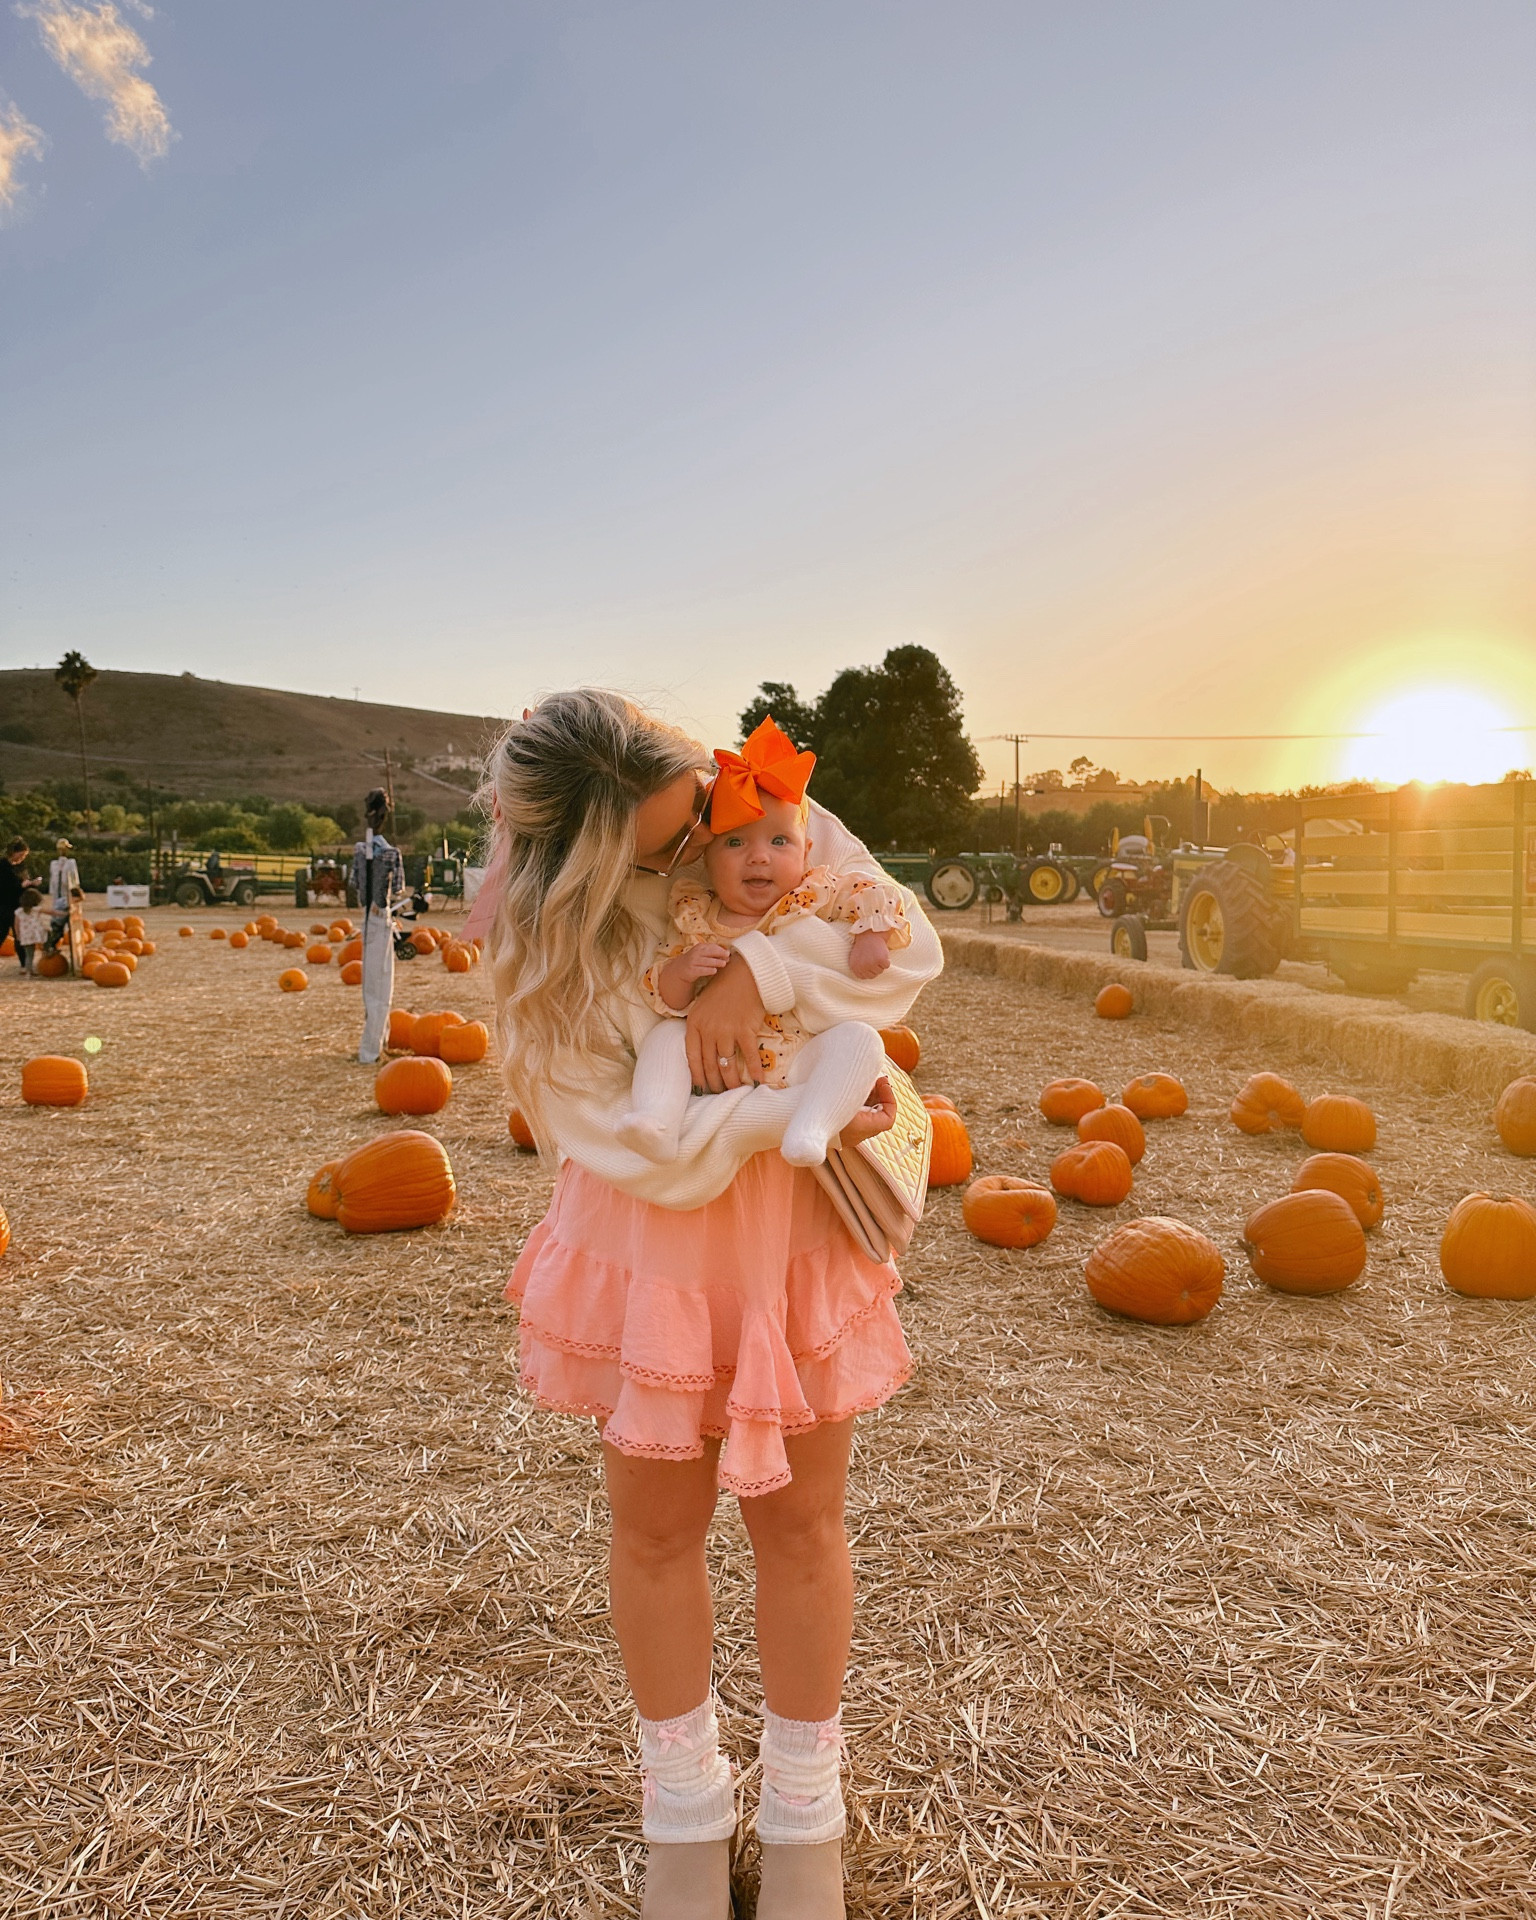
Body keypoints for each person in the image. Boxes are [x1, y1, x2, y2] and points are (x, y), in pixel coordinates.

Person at [485, 690, 942, 1920]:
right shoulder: (540, 950)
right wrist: (763, 1104)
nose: (709, 848)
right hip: (662, 1231)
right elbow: (644, 1152)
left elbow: (904, 951)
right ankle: (681, 1809)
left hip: (791, 1227)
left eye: (703, 816)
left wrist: (753, 968)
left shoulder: (739, 803)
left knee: (802, 1523)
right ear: (587, 853)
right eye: (671, 839)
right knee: (655, 1526)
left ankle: (805, 1815)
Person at [618, 716, 911, 1165]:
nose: (759, 856)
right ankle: (657, 1119)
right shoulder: (696, 915)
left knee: (860, 1042)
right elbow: (663, 997)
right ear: (707, 858)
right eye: (735, 843)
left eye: (779, 841)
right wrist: (681, 972)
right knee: (664, 1038)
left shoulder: (813, 894)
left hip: (799, 1058)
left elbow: (875, 892)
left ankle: (812, 1126)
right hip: (711, 1068)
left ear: (806, 853)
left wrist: (871, 933)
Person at [351, 789, 405, 1063]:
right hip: (380, 916)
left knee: (372, 985)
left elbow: (355, 885)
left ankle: (378, 1043)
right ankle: (371, 1051)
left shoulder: (361, 850)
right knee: (381, 985)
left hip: (366, 917)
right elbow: (397, 889)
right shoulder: (390, 853)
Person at [47, 838, 80, 950]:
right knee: (58, 924)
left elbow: (73, 881)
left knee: (65, 923)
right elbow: (55, 881)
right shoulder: (57, 864)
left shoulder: (67, 863)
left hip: (64, 897)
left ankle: (53, 943)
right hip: (61, 898)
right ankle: (52, 945)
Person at [0, 838, 29, 965]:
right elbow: (8, 886)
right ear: (14, 852)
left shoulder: (17, 867)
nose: (22, 858)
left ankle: (24, 964)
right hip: (5, 906)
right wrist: (23, 885)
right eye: (21, 855)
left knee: (19, 935)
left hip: (16, 906)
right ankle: (24, 964)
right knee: (3, 933)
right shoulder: (3, 866)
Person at [14, 888, 49, 975]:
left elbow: (16, 925)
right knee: (46, 943)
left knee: (29, 954)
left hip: (26, 936)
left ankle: (29, 971)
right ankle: (45, 957)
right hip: (36, 934)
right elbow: (51, 912)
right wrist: (63, 913)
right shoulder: (36, 910)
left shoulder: (19, 911)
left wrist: (18, 935)